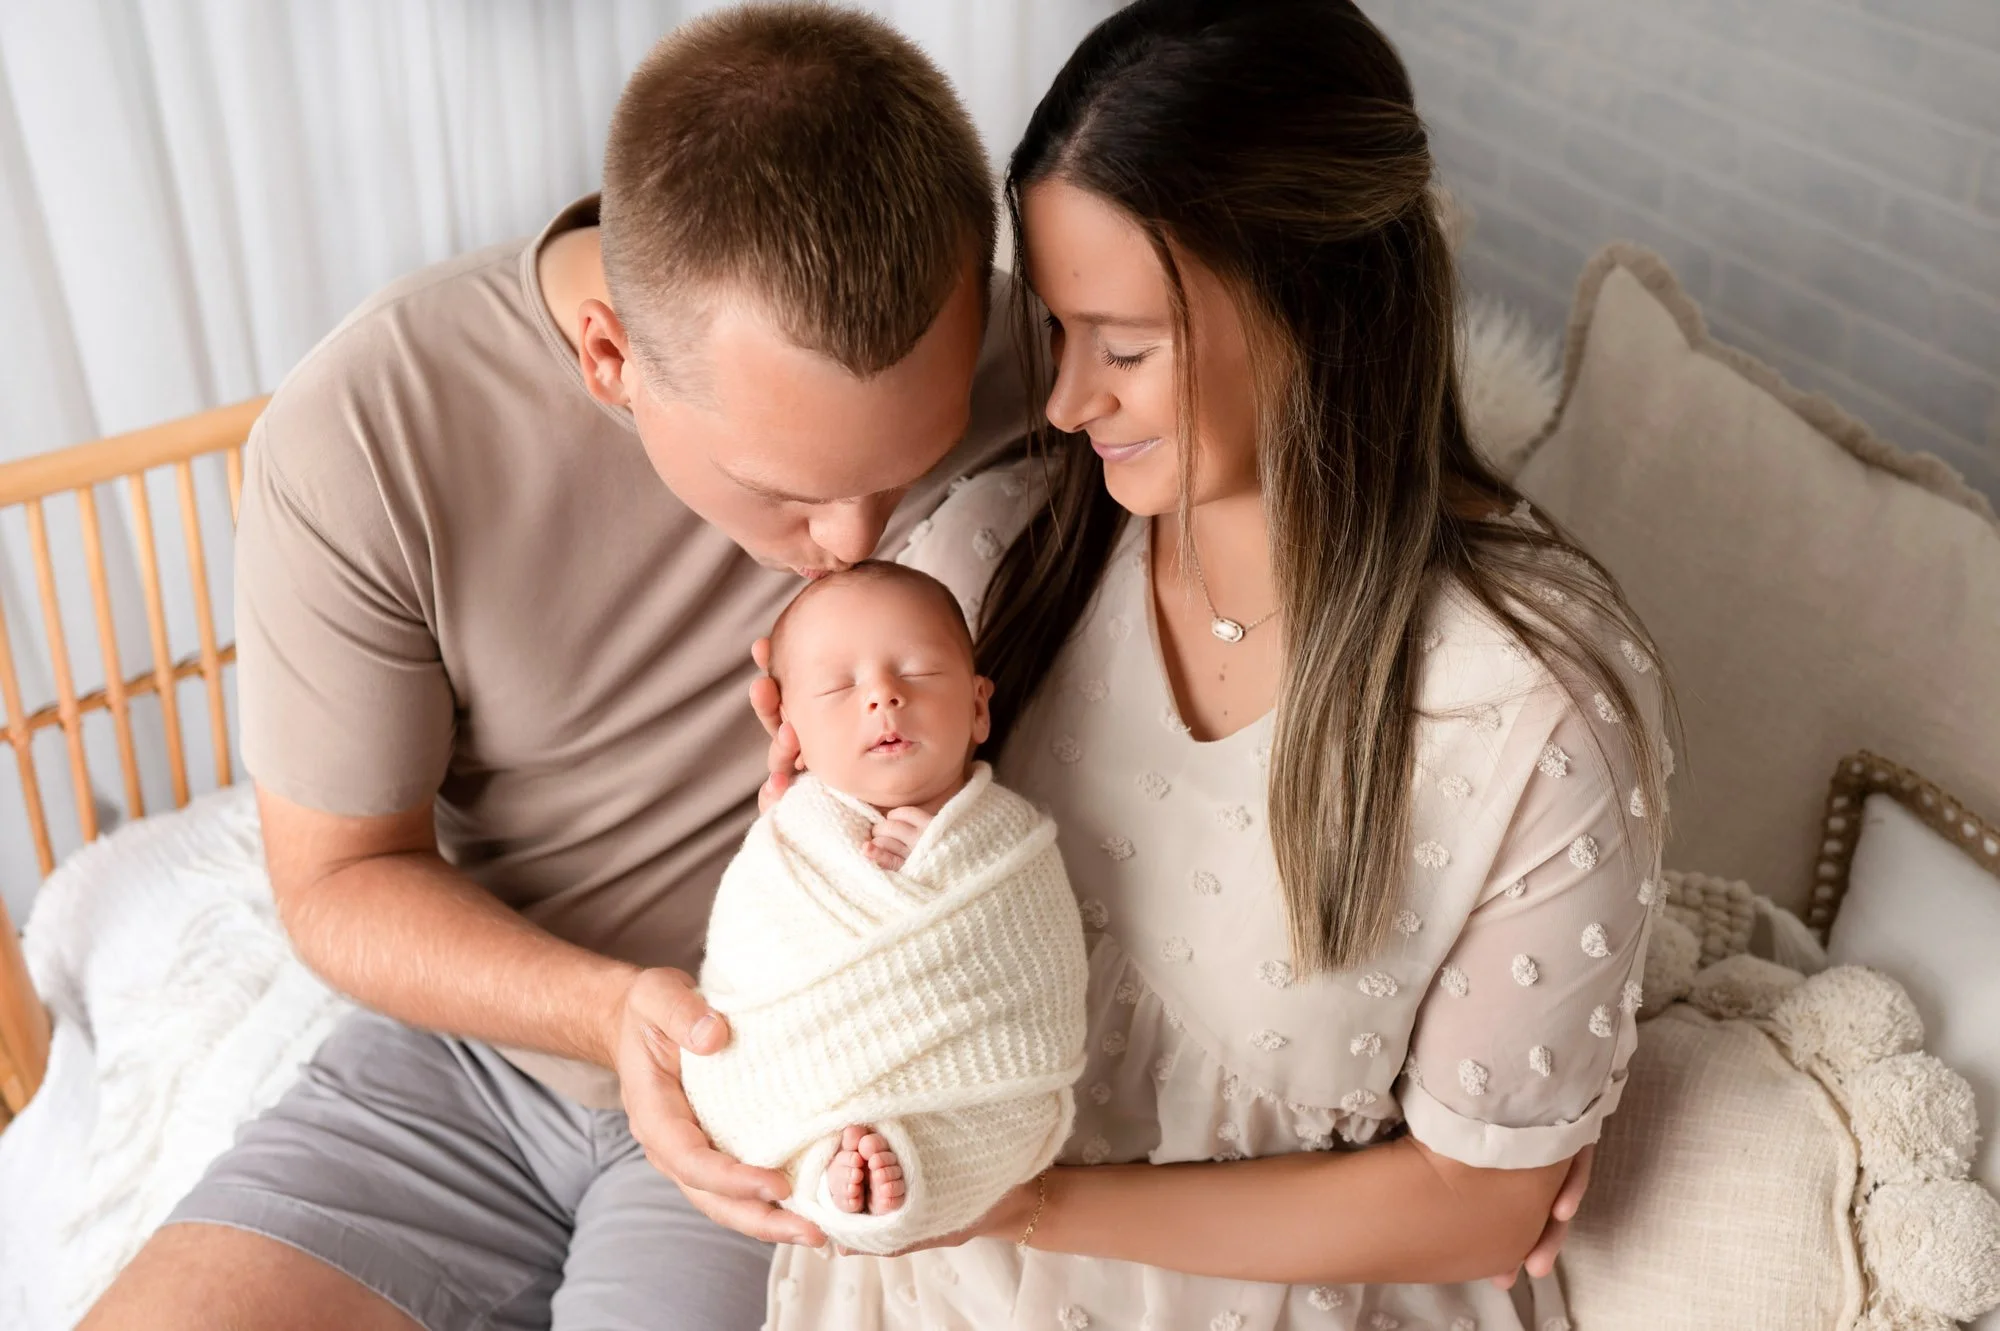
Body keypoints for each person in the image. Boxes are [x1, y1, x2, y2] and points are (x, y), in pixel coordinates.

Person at [80, 6, 1026, 1330]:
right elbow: (339, 878)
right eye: (788, 491)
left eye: (905, 468)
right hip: (470, 1058)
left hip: (790, 1085)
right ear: (607, 357)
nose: (854, 542)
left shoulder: (1029, 350)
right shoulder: (372, 426)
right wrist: (611, 1011)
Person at [750, 2, 1676, 1326]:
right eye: (1057, 332)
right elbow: (806, 954)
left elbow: (1481, 1201)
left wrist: (1022, 1201)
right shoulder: (989, 562)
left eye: (1125, 346)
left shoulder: (1524, 708)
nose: (1067, 400)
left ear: (1318, 300)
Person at [681, 561, 1088, 1255]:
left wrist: (950, 853)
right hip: (810, 1081)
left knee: (984, 1123)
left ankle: (889, 1171)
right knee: (786, 1118)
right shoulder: (791, 840)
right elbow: (749, 965)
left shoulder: (1008, 839)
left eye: (919, 671)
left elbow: (1036, 965)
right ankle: (830, 1172)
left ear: (979, 707)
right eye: (839, 687)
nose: (883, 696)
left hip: (976, 1093)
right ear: (793, 735)